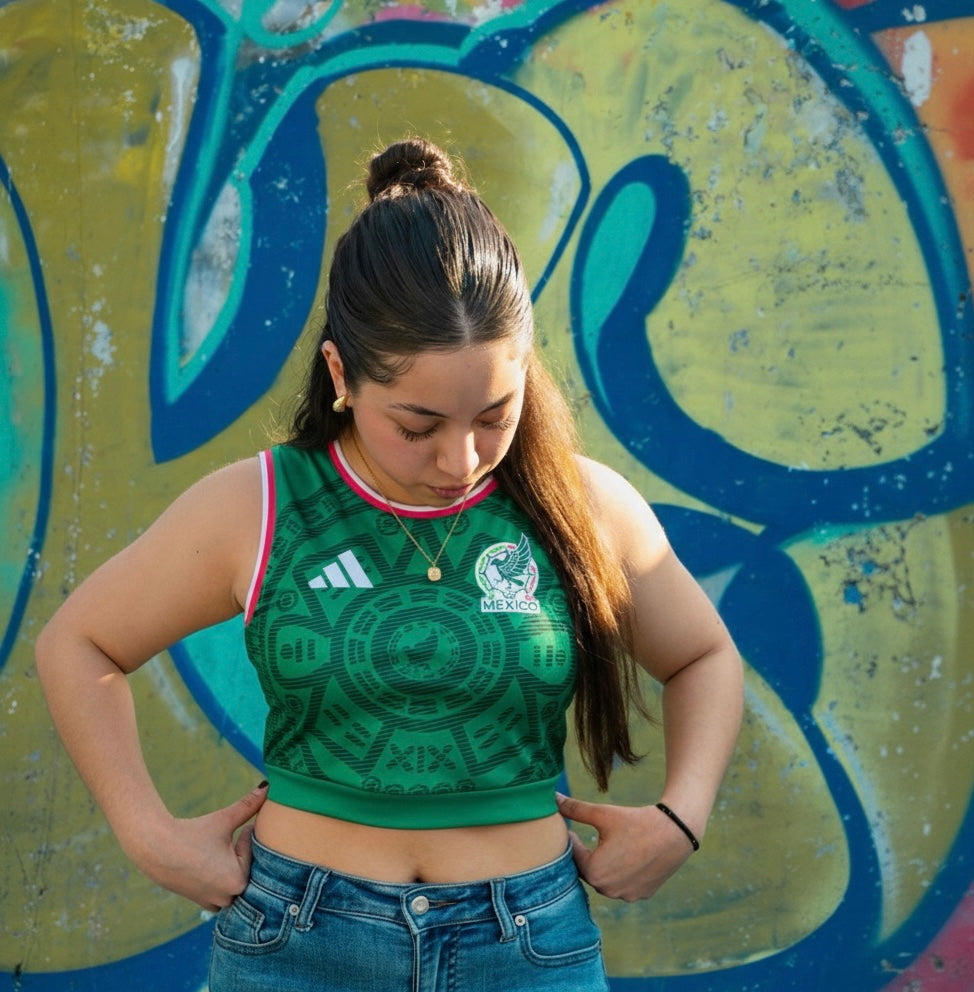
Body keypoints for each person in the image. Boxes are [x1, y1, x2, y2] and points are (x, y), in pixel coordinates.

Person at [36, 137, 743, 991]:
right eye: (417, 426)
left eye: (495, 414)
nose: (460, 458)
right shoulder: (262, 505)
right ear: (341, 373)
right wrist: (148, 832)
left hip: (528, 948)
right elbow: (80, 644)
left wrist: (682, 814)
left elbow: (703, 656)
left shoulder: (581, 506)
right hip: (297, 944)